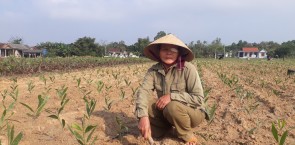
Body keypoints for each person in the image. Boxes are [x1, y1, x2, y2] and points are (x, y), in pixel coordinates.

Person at [135, 34, 208, 145]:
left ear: (179, 53)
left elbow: (198, 99)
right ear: (159, 52)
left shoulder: (188, 69)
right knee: (146, 106)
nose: (168, 53)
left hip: (193, 112)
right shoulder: (153, 71)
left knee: (172, 106)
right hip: (167, 113)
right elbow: (143, 92)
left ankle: (187, 135)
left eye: (173, 50)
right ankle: (166, 129)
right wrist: (143, 117)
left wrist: (172, 96)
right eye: (164, 49)